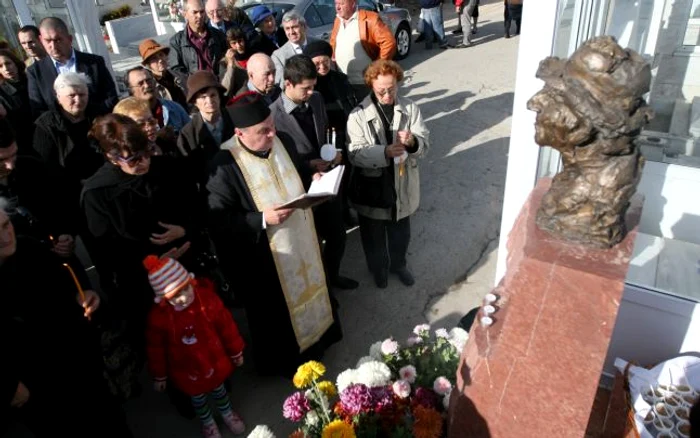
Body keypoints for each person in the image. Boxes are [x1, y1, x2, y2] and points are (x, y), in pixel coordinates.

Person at [206, 92, 342, 377]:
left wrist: (312, 179)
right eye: (263, 131)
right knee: (278, 316)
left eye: (271, 125)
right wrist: (260, 219)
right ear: (239, 133)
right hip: (267, 259)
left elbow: (299, 171)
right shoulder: (225, 164)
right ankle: (288, 365)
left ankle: (320, 343)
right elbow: (218, 219)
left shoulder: (283, 141)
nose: (272, 133)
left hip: (303, 241)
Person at [82, 115, 201, 395]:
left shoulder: (166, 168)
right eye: (133, 159)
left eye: (146, 152)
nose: (144, 163)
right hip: (142, 287)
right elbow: (107, 256)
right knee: (170, 347)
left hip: (185, 265)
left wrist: (185, 229)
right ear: (112, 158)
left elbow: (197, 205)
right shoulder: (97, 194)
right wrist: (155, 266)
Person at [0, 199, 133, 438]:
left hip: (80, 363)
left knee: (110, 422)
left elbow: (68, 281)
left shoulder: (29, 249)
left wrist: (86, 296)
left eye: (6, 225)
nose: (5, 236)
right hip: (38, 384)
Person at [270, 55, 358, 291]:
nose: (311, 93)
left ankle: (332, 278)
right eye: (305, 89)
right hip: (301, 190)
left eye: (313, 87)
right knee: (311, 245)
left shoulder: (317, 100)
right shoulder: (273, 117)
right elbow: (278, 162)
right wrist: (309, 168)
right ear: (288, 83)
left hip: (327, 183)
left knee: (338, 237)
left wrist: (334, 152)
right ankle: (320, 290)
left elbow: (326, 134)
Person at [347, 60, 429, 288]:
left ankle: (399, 265)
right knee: (373, 236)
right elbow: (354, 153)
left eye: (392, 88)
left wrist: (413, 141)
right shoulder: (357, 115)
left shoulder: (411, 108)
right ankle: (378, 269)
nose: (387, 95)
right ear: (371, 85)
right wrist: (383, 152)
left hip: (403, 185)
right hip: (372, 188)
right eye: (381, 90)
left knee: (401, 233)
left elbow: (425, 144)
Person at [144, 255, 245, 438]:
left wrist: (235, 351)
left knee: (219, 389)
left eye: (186, 289)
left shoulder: (207, 300)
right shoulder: (161, 318)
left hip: (214, 360)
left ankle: (227, 413)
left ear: (191, 281)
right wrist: (160, 376)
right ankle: (208, 423)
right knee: (198, 398)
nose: (183, 298)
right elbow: (156, 349)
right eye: (175, 297)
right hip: (186, 368)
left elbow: (226, 326)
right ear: (164, 300)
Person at [0, 119, 78, 253]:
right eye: (1, 160)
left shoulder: (32, 168)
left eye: (13, 155)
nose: (10, 165)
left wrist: (65, 233)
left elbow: (60, 204)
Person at [32, 71, 104, 214]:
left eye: (82, 95)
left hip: (103, 184)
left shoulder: (100, 115)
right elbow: (45, 166)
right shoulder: (46, 125)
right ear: (59, 98)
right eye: (71, 96)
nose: (78, 100)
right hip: (68, 194)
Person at [303, 40, 357, 224]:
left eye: (325, 61)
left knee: (347, 174)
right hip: (323, 141)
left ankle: (346, 208)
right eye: (316, 64)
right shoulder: (310, 87)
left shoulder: (340, 79)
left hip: (344, 135)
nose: (322, 66)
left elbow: (351, 105)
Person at [27, 17, 118, 116]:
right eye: (48, 41)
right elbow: (38, 110)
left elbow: (111, 98)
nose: (53, 46)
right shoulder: (35, 72)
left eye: (58, 40)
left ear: (69, 39)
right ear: (41, 40)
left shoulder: (94, 63)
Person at [330, 0, 396, 100]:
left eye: (342, 4)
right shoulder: (338, 20)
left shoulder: (370, 18)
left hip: (364, 82)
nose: (338, 7)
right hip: (344, 81)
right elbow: (333, 43)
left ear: (353, 4)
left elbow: (389, 42)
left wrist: (377, 67)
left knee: (372, 111)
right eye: (336, 4)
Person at [178, 70, 234, 187]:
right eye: (203, 97)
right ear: (195, 102)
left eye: (213, 95)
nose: (209, 101)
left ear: (219, 96)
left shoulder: (235, 119)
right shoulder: (188, 135)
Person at [125, 66, 191, 134]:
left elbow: (192, 135)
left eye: (149, 81)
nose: (147, 85)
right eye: (140, 83)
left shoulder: (175, 109)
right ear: (131, 90)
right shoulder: (127, 119)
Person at [170, 0, 228, 77]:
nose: (200, 16)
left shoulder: (218, 35)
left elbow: (226, 60)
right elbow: (177, 71)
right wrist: (195, 84)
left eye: (202, 11)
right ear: (185, 14)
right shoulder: (177, 41)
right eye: (195, 12)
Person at [113, 97, 182, 158]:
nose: (150, 128)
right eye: (141, 124)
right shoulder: (131, 164)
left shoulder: (169, 146)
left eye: (151, 121)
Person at [139, 38, 189, 110]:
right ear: (148, 64)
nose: (160, 60)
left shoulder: (180, 76)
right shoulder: (149, 86)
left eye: (161, 55)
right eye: (154, 58)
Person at [0, 49, 34, 153]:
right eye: (0, 66)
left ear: (15, 62)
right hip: (24, 143)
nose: (6, 68)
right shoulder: (1, 92)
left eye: (8, 63)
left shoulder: (32, 79)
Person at [272, 11, 319, 84]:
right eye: (287, 28)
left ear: (304, 26)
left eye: (295, 27)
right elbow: (281, 84)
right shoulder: (278, 56)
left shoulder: (318, 44)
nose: (291, 32)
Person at [220, 28, 250, 99]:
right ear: (229, 45)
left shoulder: (254, 56)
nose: (238, 46)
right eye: (234, 43)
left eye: (240, 41)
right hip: (241, 100)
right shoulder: (224, 63)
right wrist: (230, 65)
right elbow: (225, 90)